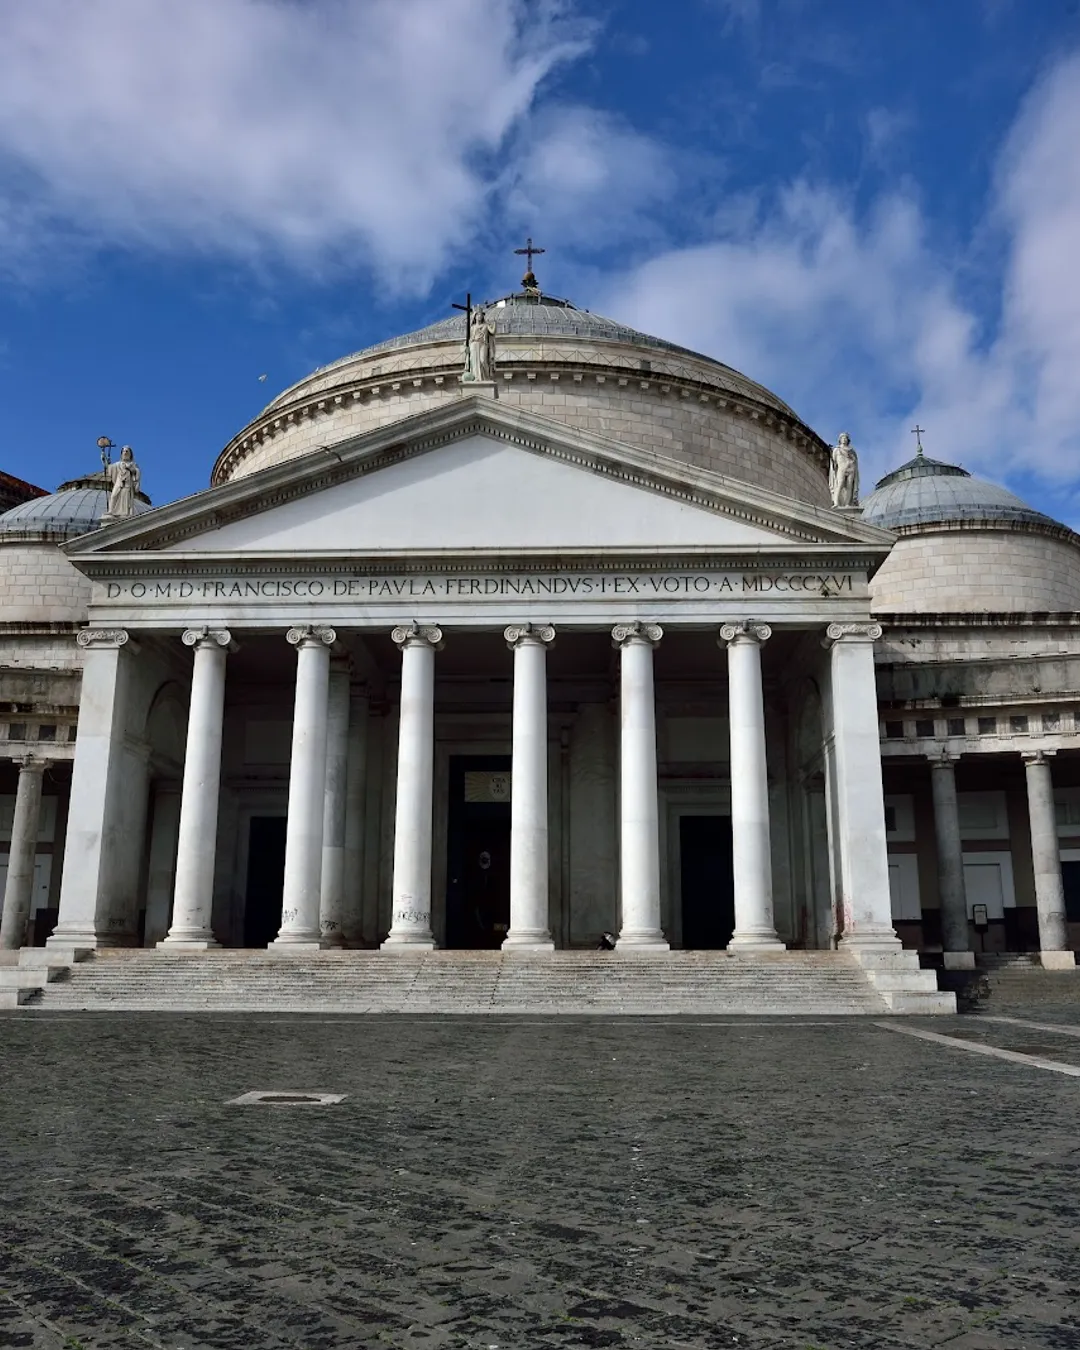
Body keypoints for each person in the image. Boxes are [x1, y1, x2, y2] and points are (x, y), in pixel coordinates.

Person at [106, 445, 141, 518]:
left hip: (128, 484)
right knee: (114, 495)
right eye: (124, 451)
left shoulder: (133, 464)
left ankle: (125, 513)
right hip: (119, 483)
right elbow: (109, 468)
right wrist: (104, 459)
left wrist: (130, 469)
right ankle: (111, 511)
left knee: (126, 498)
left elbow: (137, 472)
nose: (125, 452)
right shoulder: (117, 464)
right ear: (121, 454)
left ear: (130, 454)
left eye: (127, 451)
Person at [466, 305, 496, 382]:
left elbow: (492, 331)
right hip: (474, 344)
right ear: (475, 316)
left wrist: (495, 324)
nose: (479, 316)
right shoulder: (472, 327)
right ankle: (476, 377)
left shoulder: (486, 325)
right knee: (474, 361)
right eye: (478, 315)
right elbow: (469, 338)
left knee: (483, 360)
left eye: (481, 315)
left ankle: (486, 377)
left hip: (483, 344)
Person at [829, 432, 859, 508]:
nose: (844, 439)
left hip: (851, 469)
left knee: (849, 486)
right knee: (840, 484)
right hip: (841, 468)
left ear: (848, 440)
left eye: (845, 438)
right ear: (840, 440)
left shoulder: (852, 451)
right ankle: (836, 503)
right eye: (842, 438)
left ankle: (847, 504)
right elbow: (834, 462)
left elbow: (855, 461)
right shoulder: (836, 450)